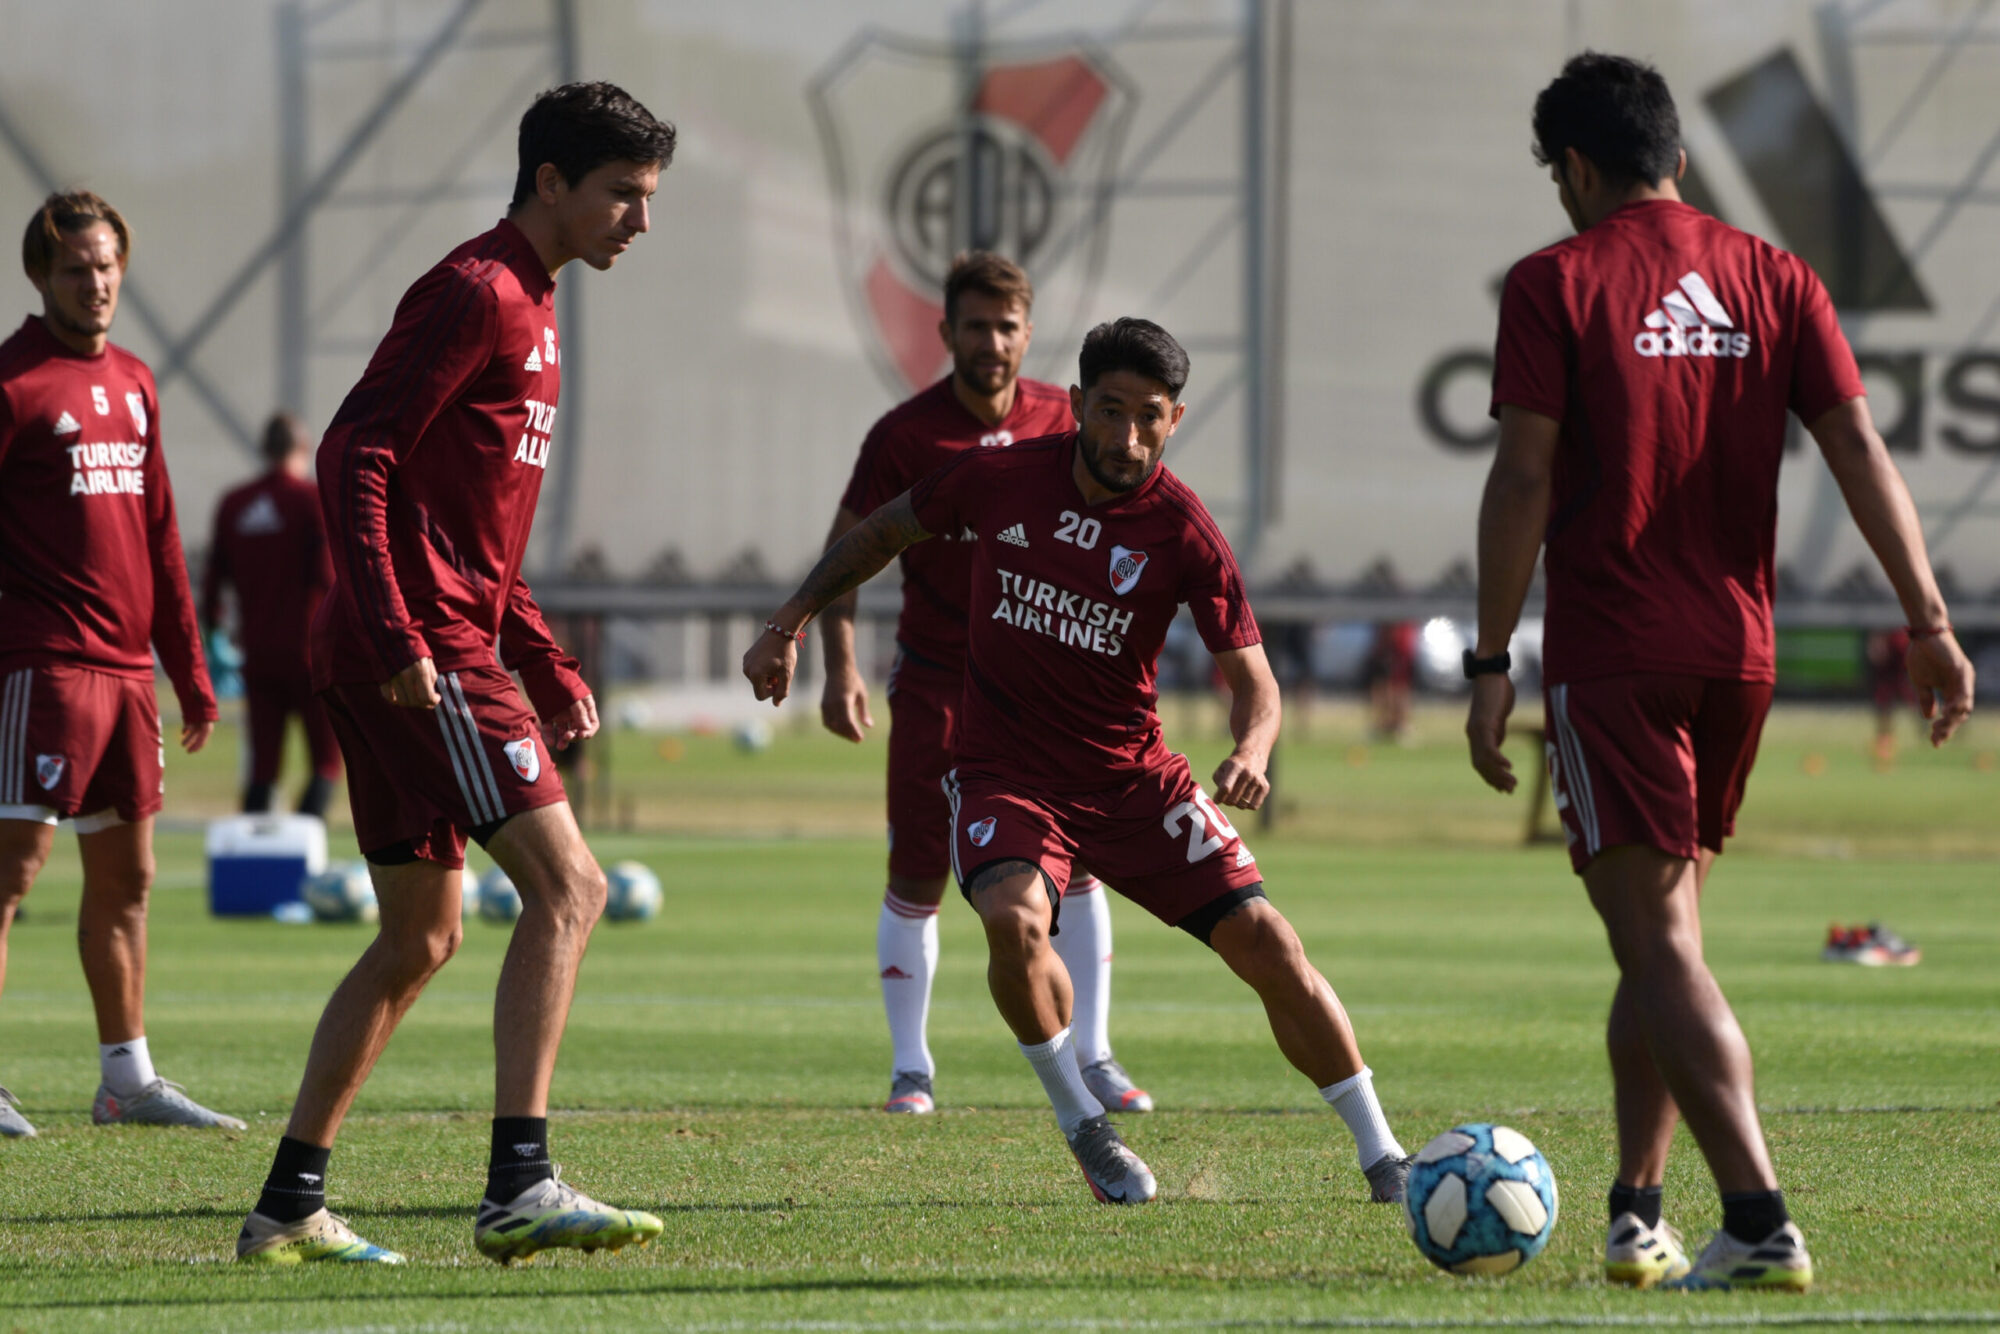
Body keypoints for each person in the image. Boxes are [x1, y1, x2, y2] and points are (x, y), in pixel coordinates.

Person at [1467, 53, 1975, 1293]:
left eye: (1558, 180)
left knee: (1653, 938)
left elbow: (1524, 476)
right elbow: (1855, 442)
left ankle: (1753, 1213)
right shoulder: (1775, 274)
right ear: (1677, 158)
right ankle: (1637, 1210)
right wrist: (1927, 616)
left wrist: (1489, 658)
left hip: (1616, 649)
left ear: (1576, 169)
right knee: (1663, 937)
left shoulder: (1554, 281)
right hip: (1734, 656)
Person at [748, 318, 1411, 1207]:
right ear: (1077, 405)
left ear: (1175, 418)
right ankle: (1085, 1127)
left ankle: (1385, 1158)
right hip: (1005, 774)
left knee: (1271, 945)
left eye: (1148, 417)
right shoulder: (996, 479)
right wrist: (787, 621)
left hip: (1134, 781)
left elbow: (1255, 682)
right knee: (1014, 924)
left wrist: (1252, 748)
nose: (1125, 437)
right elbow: (881, 533)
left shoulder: (1183, 531)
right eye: (1108, 412)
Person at [235, 82, 677, 1265]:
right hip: (415, 649)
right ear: (550, 183)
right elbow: (355, 450)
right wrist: (399, 634)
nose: (640, 219)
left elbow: (468, 525)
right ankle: (518, 1183)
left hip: (423, 641)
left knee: (420, 936)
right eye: (622, 194)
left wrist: (541, 653)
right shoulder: (476, 291)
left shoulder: (534, 305)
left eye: (647, 196)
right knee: (570, 886)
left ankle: (286, 1202)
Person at [820, 251, 1151, 1117]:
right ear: (947, 333)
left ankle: (1097, 1056)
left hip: (1047, 690)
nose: (992, 343)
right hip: (938, 686)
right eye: (976, 325)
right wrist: (838, 663)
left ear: (1028, 334)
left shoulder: (1062, 418)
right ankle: (911, 1069)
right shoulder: (904, 436)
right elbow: (848, 551)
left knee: (1074, 868)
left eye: (1007, 327)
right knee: (918, 869)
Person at [0, 191, 238, 1139]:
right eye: (74, 270)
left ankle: (126, 1082)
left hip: (126, 679)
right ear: (40, 277)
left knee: (127, 881)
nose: (94, 284)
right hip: (43, 668)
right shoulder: (14, 383)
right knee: (11, 877)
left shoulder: (137, 381)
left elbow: (161, 534)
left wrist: (189, 667)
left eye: (105, 266)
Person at [201, 412, 341, 817]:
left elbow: (213, 585)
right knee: (325, 764)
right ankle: (300, 861)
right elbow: (330, 578)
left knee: (262, 769)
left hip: (257, 655)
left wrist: (214, 636)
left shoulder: (235, 504)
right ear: (303, 448)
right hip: (312, 656)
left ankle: (256, 859)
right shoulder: (312, 501)